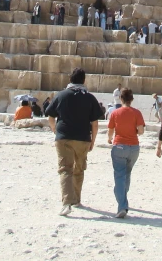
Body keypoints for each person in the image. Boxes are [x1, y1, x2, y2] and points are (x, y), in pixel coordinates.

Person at [45, 67, 102, 216]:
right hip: (83, 138)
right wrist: (93, 141)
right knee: (79, 169)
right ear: (84, 80)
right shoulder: (89, 97)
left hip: (63, 136)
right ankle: (76, 199)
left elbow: (50, 116)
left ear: (70, 79)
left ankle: (66, 203)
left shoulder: (61, 95)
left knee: (65, 169)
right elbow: (95, 123)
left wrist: (55, 130)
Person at [107, 87, 145, 218]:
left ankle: (122, 205)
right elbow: (141, 131)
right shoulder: (137, 113)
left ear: (120, 98)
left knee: (119, 176)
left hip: (119, 146)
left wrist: (109, 138)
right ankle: (123, 198)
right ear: (132, 99)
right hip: (134, 147)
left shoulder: (115, 113)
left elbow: (111, 130)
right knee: (127, 174)